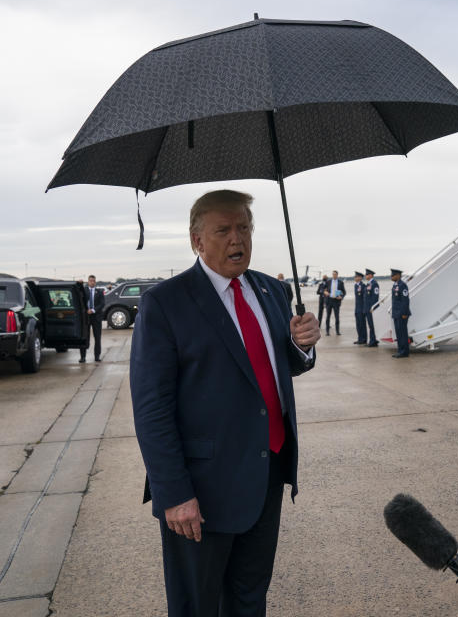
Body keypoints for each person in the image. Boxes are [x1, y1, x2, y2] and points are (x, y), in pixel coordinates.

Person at [130, 190, 320, 617]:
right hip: (201, 490)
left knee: (250, 600)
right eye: (223, 230)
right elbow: (150, 408)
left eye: (244, 228)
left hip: (266, 473)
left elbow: (273, 368)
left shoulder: (273, 291)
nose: (238, 239)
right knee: (198, 605)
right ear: (197, 240)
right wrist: (174, 492)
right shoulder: (166, 303)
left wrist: (301, 345)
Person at [80, 274, 105, 363]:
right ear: (88, 281)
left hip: (96, 317)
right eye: (90, 281)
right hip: (86, 317)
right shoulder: (84, 291)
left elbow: (102, 304)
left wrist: (94, 310)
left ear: (95, 282)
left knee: (97, 337)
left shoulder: (100, 291)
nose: (92, 282)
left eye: (93, 281)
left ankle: (97, 356)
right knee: (85, 337)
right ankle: (83, 357)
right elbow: (80, 300)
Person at [390, 268, 411, 358]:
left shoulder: (402, 285)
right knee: (398, 333)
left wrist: (404, 313)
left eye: (393, 275)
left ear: (398, 275)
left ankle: (404, 352)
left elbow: (405, 301)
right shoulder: (395, 285)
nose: (391, 277)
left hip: (402, 313)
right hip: (396, 313)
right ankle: (400, 350)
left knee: (403, 333)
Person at [322, 270, 346, 335]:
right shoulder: (328, 281)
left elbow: (344, 292)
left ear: (337, 275)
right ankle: (327, 331)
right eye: (333, 274)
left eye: (335, 274)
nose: (334, 275)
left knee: (337, 317)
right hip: (329, 301)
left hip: (336, 301)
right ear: (332, 275)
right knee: (328, 317)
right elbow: (322, 289)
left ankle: (337, 331)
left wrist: (341, 297)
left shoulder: (341, 282)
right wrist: (325, 292)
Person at [364, 269, 379, 347]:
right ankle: (373, 340)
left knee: (372, 325)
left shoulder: (374, 284)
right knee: (370, 325)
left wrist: (373, 307)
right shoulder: (369, 284)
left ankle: (373, 341)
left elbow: (375, 297)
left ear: (370, 275)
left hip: (371, 309)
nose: (365, 276)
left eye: (367, 275)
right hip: (367, 308)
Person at [352, 271, 367, 344]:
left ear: (360, 278)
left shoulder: (363, 286)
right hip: (357, 308)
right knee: (358, 325)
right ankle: (360, 338)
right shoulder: (356, 285)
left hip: (361, 309)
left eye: (356, 277)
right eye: (355, 277)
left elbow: (364, 299)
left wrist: (364, 309)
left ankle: (363, 339)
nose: (355, 278)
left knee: (362, 324)